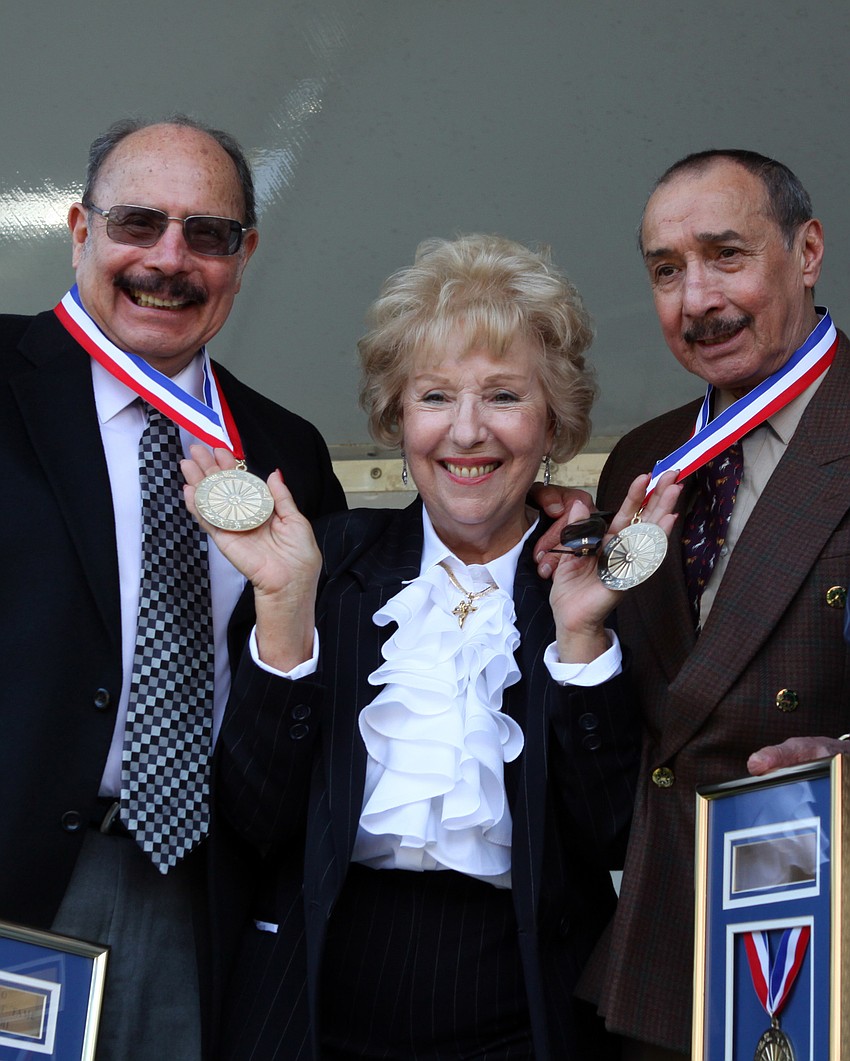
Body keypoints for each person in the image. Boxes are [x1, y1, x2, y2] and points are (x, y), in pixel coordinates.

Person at [184, 233, 681, 1060]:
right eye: (436, 396)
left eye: (504, 396)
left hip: (525, 1014)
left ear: (554, 418)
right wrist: (282, 608)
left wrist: (583, 634)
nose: (467, 432)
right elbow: (254, 819)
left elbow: (614, 839)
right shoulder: (325, 560)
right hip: (311, 1013)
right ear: (396, 416)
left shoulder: (595, 577)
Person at [0, 115, 344, 1060]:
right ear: (79, 230)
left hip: (202, 901)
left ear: (245, 255)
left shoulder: (286, 452)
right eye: (137, 222)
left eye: (208, 233)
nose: (169, 258)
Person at [538, 150, 850, 1060]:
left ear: (807, 252)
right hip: (663, 953)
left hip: (822, 940)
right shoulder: (649, 452)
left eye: (726, 255)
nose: (696, 299)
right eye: (666, 270)